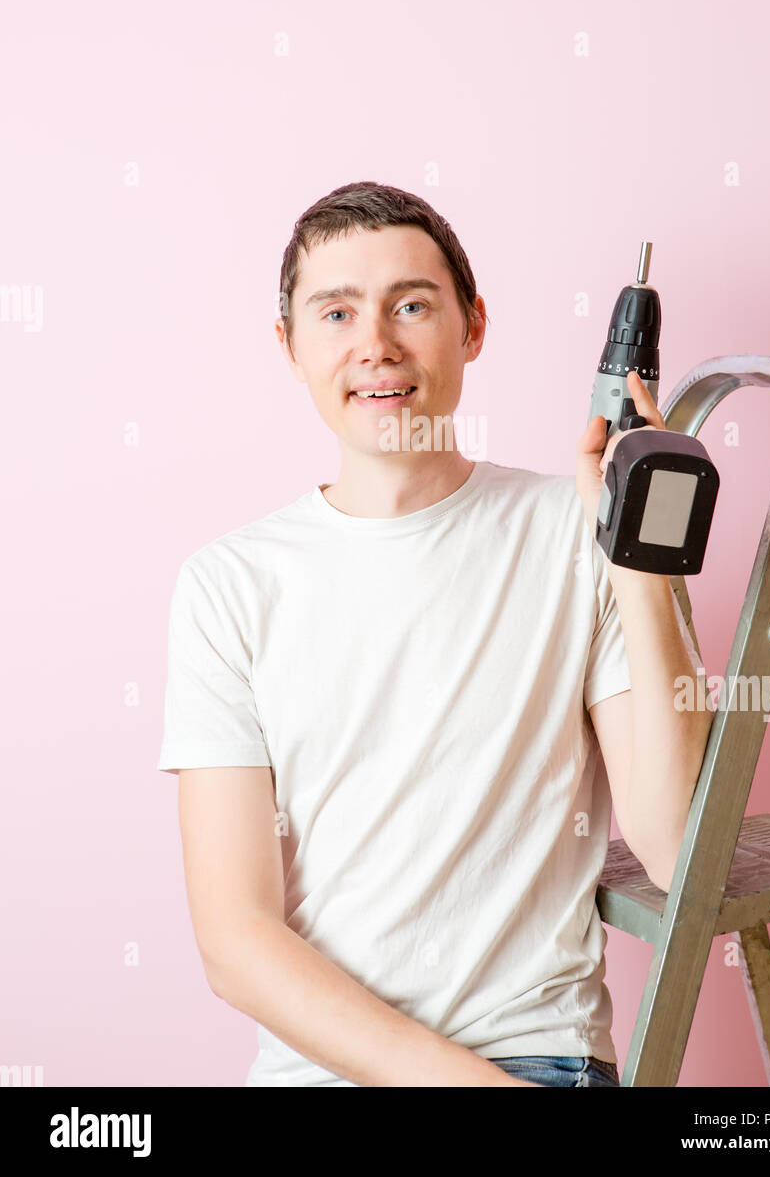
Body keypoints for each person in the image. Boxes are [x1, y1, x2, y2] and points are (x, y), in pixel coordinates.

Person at [158, 181, 713, 1088]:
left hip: (536, 1056)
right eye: (336, 312)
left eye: (411, 305)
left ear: (473, 327)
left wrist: (635, 557)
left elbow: (670, 842)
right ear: (289, 347)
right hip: (321, 1073)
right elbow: (235, 939)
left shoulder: (571, 530)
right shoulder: (229, 586)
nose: (375, 344)